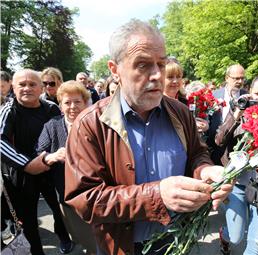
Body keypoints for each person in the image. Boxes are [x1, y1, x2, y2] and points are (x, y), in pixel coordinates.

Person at [64, 20, 233, 255]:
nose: (156, 75)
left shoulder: (180, 112)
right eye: (143, 65)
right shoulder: (89, 124)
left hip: (178, 240)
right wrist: (157, 196)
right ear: (115, 70)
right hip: (122, 246)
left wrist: (205, 170)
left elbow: (197, 153)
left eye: (161, 64)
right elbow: (85, 200)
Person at [0, 69, 74, 254]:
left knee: (59, 210)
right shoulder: (9, 111)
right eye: (22, 85)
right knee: (28, 220)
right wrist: (27, 164)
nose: (27, 89)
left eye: (32, 84)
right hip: (22, 176)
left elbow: (63, 133)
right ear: (13, 88)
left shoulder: (51, 108)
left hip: (51, 170)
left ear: (41, 87)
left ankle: (65, 239)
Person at [215, 73, 258, 255]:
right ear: (249, 93)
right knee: (236, 236)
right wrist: (237, 113)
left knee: (256, 243)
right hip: (237, 183)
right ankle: (225, 235)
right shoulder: (239, 112)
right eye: (257, 94)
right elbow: (219, 140)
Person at [36, 80, 95, 254]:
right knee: (84, 238)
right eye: (67, 102)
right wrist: (51, 156)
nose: (72, 107)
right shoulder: (52, 125)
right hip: (68, 194)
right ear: (60, 106)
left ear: (85, 103)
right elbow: (39, 151)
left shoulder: (95, 123)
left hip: (98, 193)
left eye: (77, 102)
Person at [210, 64, 248, 165]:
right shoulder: (213, 96)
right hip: (214, 151)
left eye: (242, 78)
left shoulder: (247, 98)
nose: (240, 81)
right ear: (227, 78)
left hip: (236, 153)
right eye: (236, 78)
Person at [164, 60, 209, 133]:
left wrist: (204, 125)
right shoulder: (156, 103)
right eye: (170, 77)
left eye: (178, 77)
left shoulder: (185, 101)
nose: (175, 81)